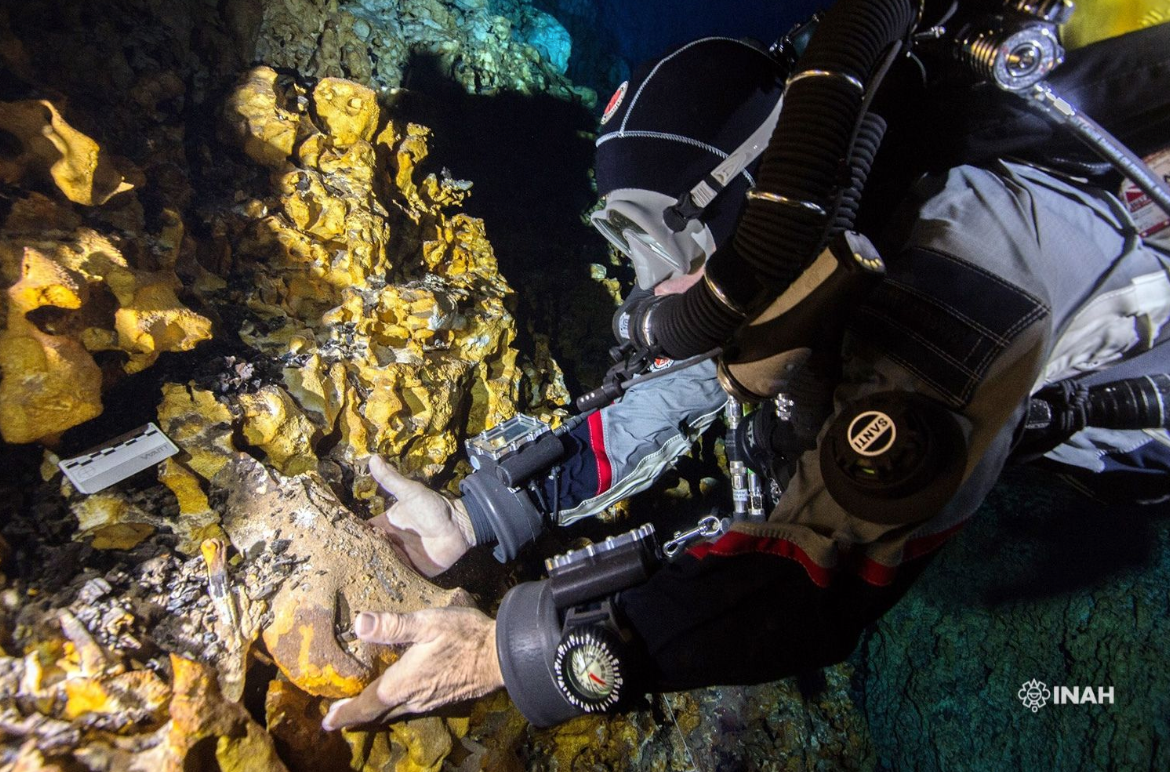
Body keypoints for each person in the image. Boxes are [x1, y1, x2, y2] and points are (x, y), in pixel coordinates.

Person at [321, 0, 1170, 731]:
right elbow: (680, 389)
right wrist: (483, 515)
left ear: (761, 194)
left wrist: (513, 656)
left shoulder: (981, 248)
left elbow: (817, 572)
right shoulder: (829, 240)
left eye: (663, 240)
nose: (655, 287)